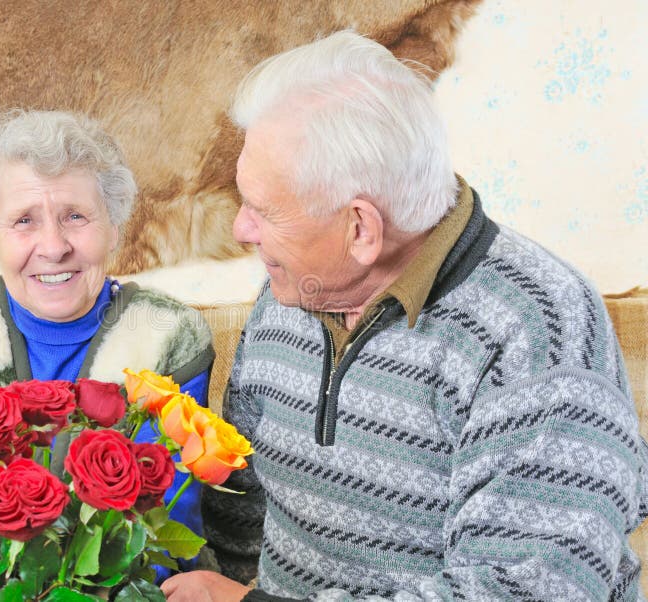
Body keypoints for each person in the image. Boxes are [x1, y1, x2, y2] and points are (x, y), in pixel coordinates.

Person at [161, 30, 648, 601]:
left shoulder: (540, 332)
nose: (243, 230)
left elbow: (522, 594)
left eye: (264, 210)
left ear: (361, 228)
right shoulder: (293, 288)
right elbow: (242, 496)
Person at [0, 109, 214, 584]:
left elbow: (164, 539)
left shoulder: (169, 336)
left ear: (114, 228)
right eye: (23, 221)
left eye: (75, 216)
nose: (53, 246)